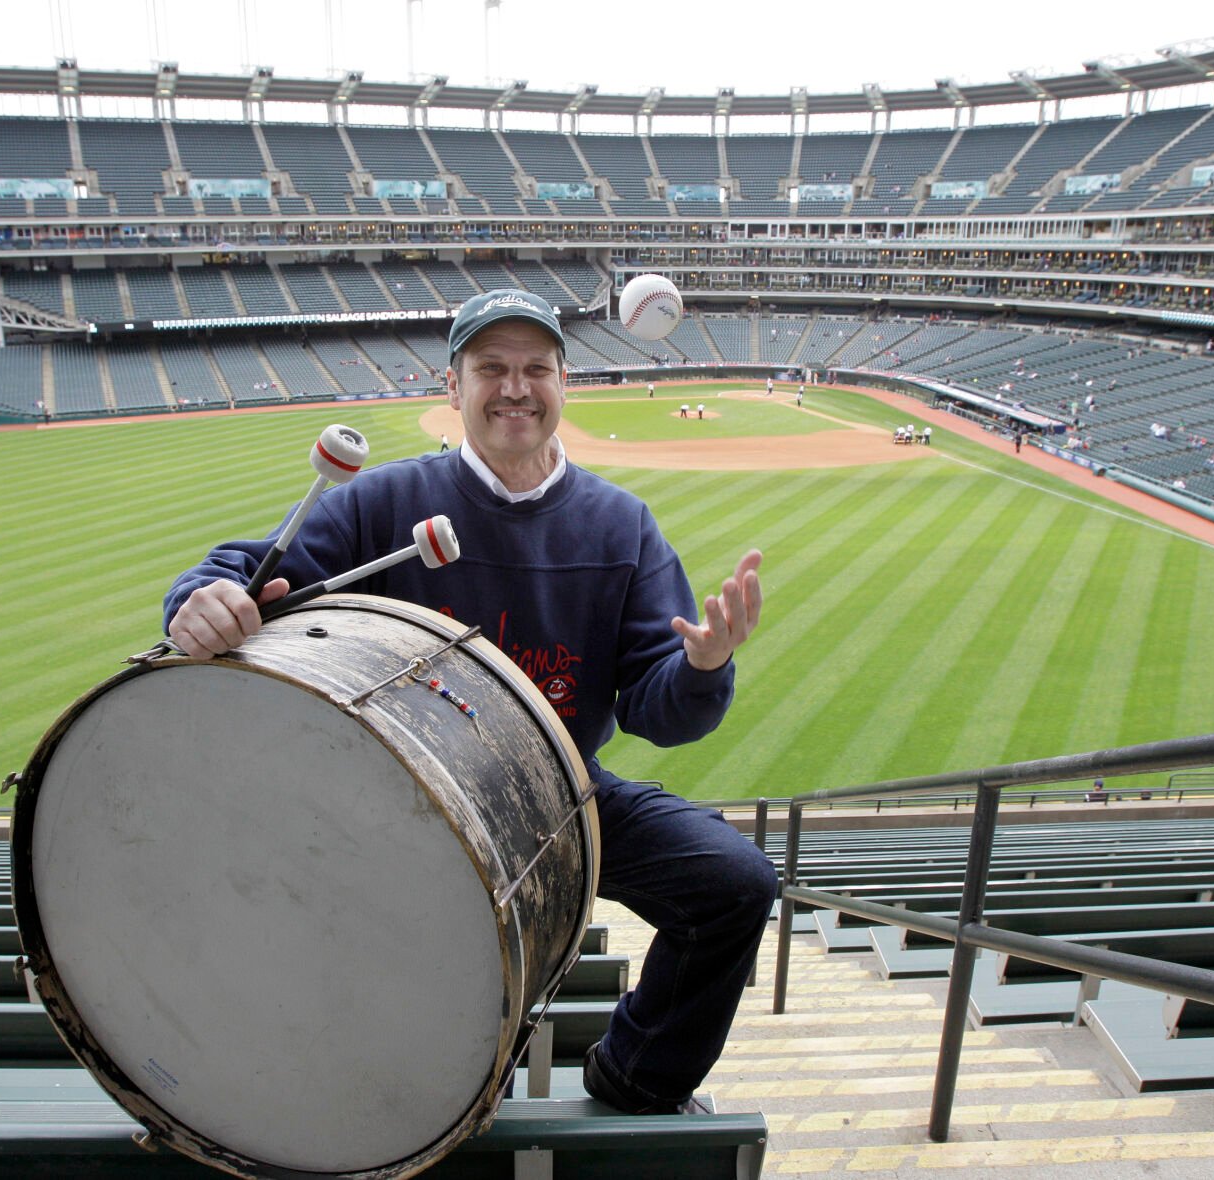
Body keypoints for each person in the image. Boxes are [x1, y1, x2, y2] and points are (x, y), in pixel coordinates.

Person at [164, 288, 776, 1117]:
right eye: (492, 368)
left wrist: (703, 667)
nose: (515, 388)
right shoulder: (379, 503)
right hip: (394, 796)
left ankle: (637, 1076)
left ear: (565, 384)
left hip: (558, 792)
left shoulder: (620, 526)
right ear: (453, 387)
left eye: (536, 369)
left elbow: (660, 713)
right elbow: (254, 571)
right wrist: (199, 598)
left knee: (735, 884)